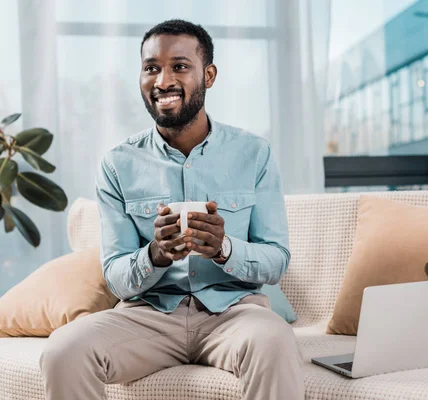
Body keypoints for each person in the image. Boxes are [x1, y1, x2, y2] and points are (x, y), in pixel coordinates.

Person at [39, 19, 305, 400]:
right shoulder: (117, 163)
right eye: (151, 68)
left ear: (208, 75)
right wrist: (155, 255)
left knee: (275, 340)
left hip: (234, 313)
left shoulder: (254, 153)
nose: (162, 80)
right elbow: (115, 276)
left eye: (179, 66)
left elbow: (276, 260)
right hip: (148, 317)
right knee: (63, 350)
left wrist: (223, 248)